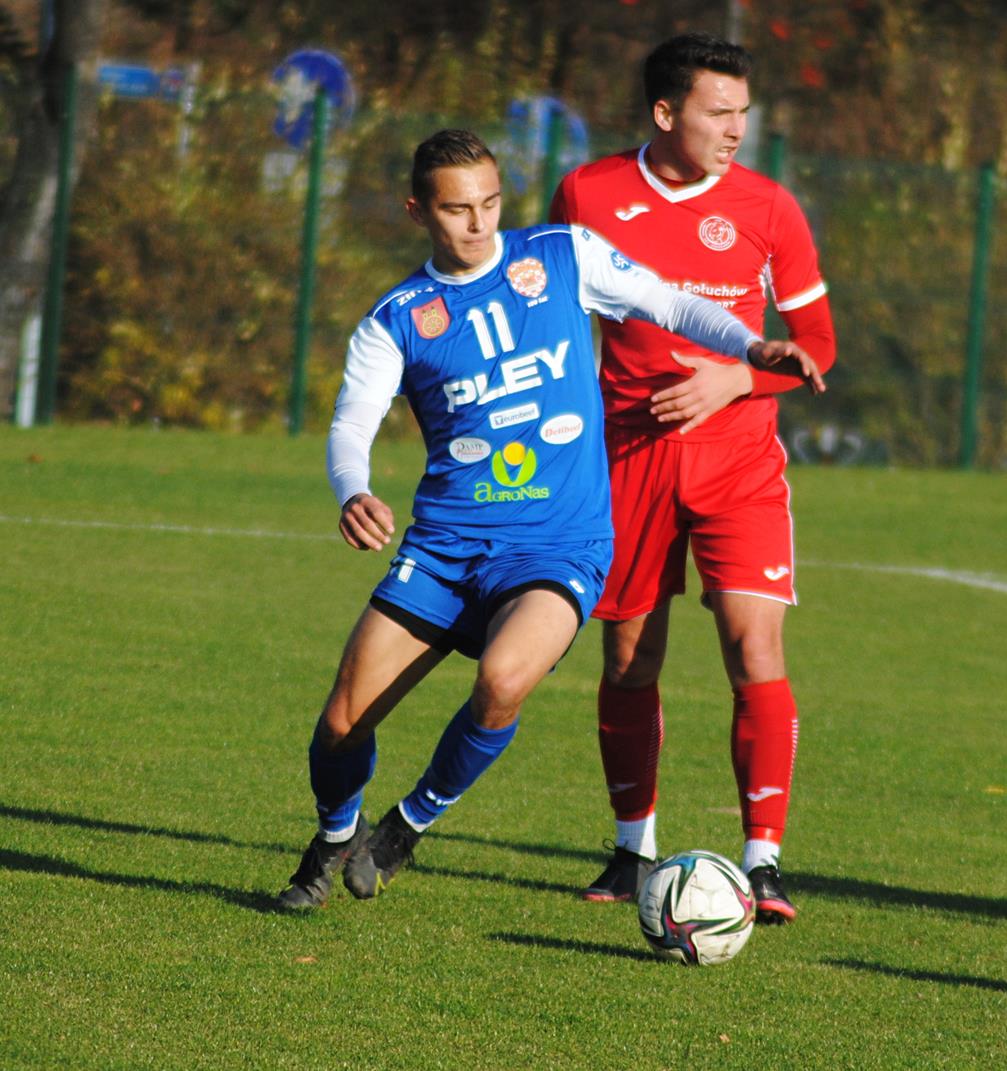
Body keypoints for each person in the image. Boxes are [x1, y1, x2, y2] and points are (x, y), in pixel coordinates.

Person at [275, 128, 822, 911]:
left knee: (501, 681)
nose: (478, 223)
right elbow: (350, 423)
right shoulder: (398, 316)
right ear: (417, 211)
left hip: (558, 545)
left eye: (491, 203)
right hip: (443, 548)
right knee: (339, 724)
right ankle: (333, 837)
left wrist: (750, 344)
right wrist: (353, 489)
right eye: (457, 209)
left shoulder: (564, 255)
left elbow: (670, 301)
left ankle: (407, 826)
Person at [548, 31, 837, 924]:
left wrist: (736, 376)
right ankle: (634, 848)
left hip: (742, 462)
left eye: (744, 112)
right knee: (630, 658)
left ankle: (765, 861)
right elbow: (553, 314)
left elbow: (818, 349)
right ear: (666, 112)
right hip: (626, 458)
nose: (737, 129)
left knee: (755, 647)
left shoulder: (770, 208)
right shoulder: (588, 193)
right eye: (720, 111)